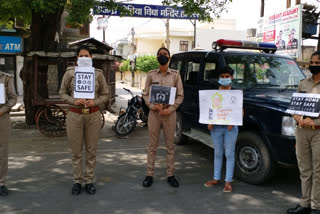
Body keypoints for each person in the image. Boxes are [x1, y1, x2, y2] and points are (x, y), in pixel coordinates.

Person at [59, 45, 109, 196]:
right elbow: (62, 92)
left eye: (87, 56)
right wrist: (74, 100)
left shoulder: (98, 74)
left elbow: (105, 93)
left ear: (91, 58)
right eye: (81, 56)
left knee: (91, 151)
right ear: (77, 58)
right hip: (75, 115)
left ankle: (89, 181)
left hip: (93, 115)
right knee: (76, 152)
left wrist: (96, 102)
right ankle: (77, 181)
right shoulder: (70, 73)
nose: (84, 58)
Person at [142, 47, 184, 188]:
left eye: (165, 54)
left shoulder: (175, 75)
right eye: (160, 54)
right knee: (152, 146)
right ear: (156, 57)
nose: (162, 56)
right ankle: (149, 174)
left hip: (169, 115)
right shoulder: (151, 75)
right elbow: (145, 93)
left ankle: (171, 175)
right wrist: (152, 106)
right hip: (154, 115)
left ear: (169, 57)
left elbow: (180, 95)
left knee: (170, 147)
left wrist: (171, 109)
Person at [287, 51, 320, 214]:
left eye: (317, 62)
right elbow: (295, 107)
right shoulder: (303, 84)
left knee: (318, 170)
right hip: (301, 132)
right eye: (312, 62)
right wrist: (297, 116)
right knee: (304, 169)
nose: (314, 65)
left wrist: (316, 121)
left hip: (318, 133)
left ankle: (316, 206)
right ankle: (304, 203)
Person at [204, 66, 239, 193]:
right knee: (217, 153)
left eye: (227, 76)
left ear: (232, 77)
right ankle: (216, 178)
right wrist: (209, 121)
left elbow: (240, 111)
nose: (225, 79)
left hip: (231, 129)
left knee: (229, 154)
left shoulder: (236, 93)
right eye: (222, 76)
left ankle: (228, 181)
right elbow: (209, 109)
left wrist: (233, 122)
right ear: (219, 78)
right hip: (216, 128)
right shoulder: (213, 93)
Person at [0, 71, 17, 197]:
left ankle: (1, 183)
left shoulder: (6, 78)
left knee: (2, 151)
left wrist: (2, 110)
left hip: (2, 117)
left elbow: (13, 98)